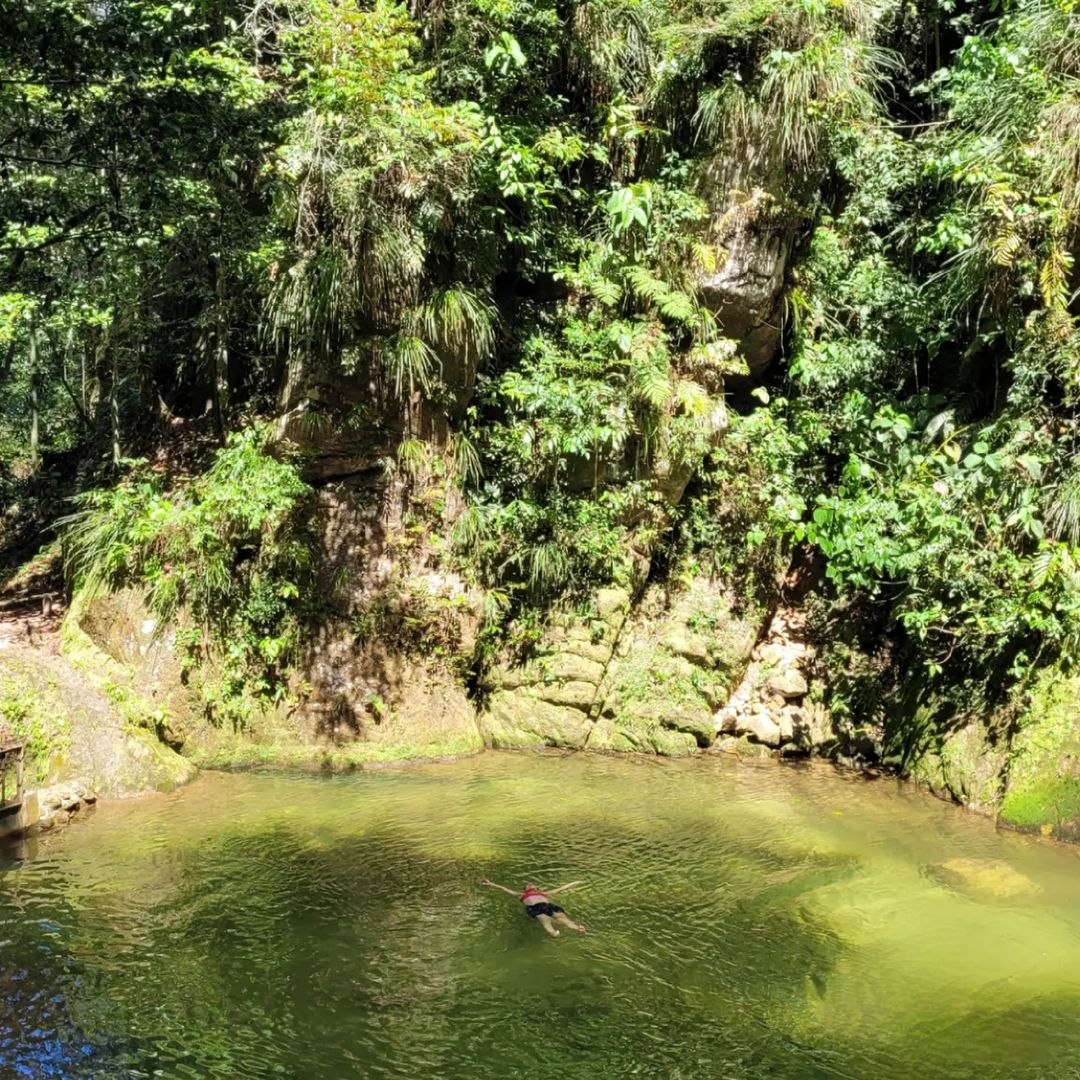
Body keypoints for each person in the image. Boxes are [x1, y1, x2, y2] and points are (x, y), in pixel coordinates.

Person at [479, 877, 586, 937]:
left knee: (563, 918)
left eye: (532, 884)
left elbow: (561, 888)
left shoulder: (544, 893)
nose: (530, 885)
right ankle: (553, 933)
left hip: (549, 906)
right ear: (525, 889)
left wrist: (575, 882)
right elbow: (503, 889)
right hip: (535, 907)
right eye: (528, 885)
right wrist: (490, 884)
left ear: (536, 888)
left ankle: (577, 928)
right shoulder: (521, 895)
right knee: (545, 920)